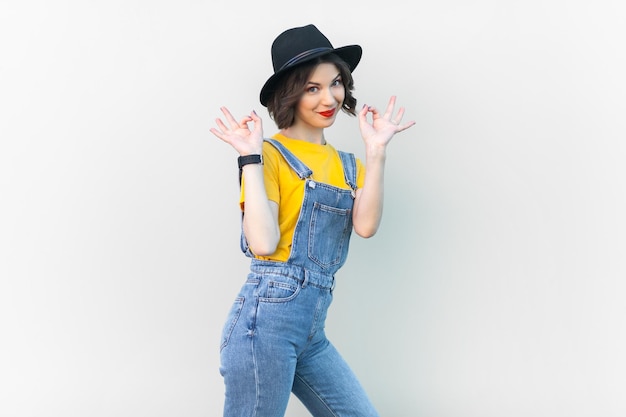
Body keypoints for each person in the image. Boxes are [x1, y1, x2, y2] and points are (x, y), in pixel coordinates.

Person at [210, 24, 415, 417]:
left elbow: (366, 227)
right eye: (312, 88)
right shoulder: (269, 154)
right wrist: (249, 158)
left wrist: (376, 152)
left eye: (335, 83)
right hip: (264, 323)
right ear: (290, 94)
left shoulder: (347, 165)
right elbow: (264, 245)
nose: (329, 97)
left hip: (310, 330)